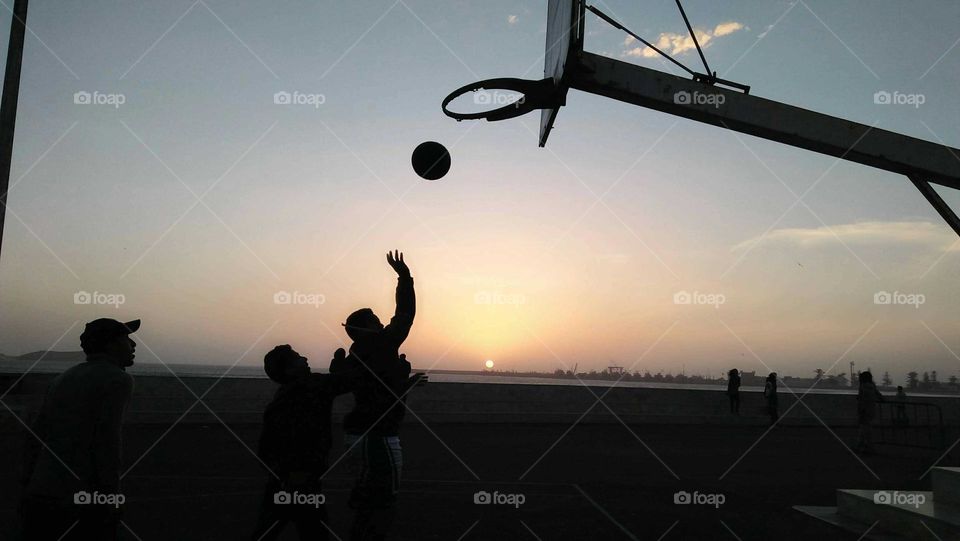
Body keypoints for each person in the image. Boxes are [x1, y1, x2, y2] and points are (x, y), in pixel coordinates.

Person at [332, 250, 425, 541]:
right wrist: (404, 277)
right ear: (367, 329)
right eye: (376, 320)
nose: (384, 323)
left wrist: (405, 383)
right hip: (378, 438)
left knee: (368, 499)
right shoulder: (380, 344)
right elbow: (405, 315)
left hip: (361, 435)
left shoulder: (358, 355)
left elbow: (376, 391)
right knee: (383, 504)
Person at [19, 318, 139, 541]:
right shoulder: (118, 379)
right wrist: (110, 496)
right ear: (110, 344)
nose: (133, 345)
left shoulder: (63, 378)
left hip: (43, 491)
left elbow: (36, 435)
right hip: (82, 496)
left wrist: (27, 483)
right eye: (126, 339)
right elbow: (108, 443)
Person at [250, 345, 366, 540]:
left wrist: (279, 473)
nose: (304, 357)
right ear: (289, 370)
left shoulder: (282, 398)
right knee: (315, 531)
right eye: (297, 357)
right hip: (302, 481)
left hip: (283, 481)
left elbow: (265, 447)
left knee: (269, 529)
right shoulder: (313, 386)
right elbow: (351, 381)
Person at [855, 371, 884, 454]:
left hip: (864, 410)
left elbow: (862, 397)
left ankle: (866, 447)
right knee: (866, 428)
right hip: (871, 409)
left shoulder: (862, 386)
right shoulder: (872, 386)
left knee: (864, 429)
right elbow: (878, 394)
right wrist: (883, 399)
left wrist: (860, 408)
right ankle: (863, 446)